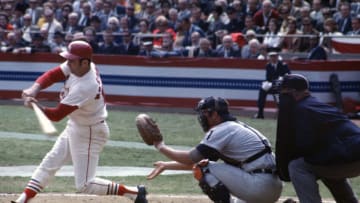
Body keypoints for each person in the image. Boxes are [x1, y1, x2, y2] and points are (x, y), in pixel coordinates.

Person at [15, 41, 147, 203]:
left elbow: (57, 115)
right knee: (50, 162)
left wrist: (36, 106)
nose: (68, 64)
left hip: (90, 132)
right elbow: (53, 75)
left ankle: (135, 192)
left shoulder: (86, 86)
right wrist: (34, 89)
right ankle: (22, 200)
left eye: (71, 61)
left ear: (84, 63)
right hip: (77, 125)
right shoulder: (80, 66)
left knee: (85, 185)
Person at [146, 96, 283, 203]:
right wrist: (166, 166)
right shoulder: (234, 127)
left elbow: (192, 159)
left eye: (205, 113)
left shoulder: (222, 130)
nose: (202, 117)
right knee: (205, 166)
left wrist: (160, 146)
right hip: (270, 185)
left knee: (204, 169)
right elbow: (201, 162)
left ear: (215, 114)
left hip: (258, 185)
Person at [275, 74, 360, 203]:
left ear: (293, 93)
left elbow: (305, 145)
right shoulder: (313, 103)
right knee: (321, 161)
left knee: (297, 166)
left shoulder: (301, 109)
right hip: (352, 153)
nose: (281, 96)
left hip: (351, 158)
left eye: (283, 92)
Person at [254, 50, 290, 119]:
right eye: (271, 56)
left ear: (277, 57)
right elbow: (268, 78)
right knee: (262, 91)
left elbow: (288, 76)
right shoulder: (268, 66)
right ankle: (260, 113)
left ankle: (282, 114)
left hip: (281, 87)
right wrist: (266, 83)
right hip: (272, 85)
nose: (273, 58)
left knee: (277, 93)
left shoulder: (283, 65)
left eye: (274, 56)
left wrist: (281, 80)